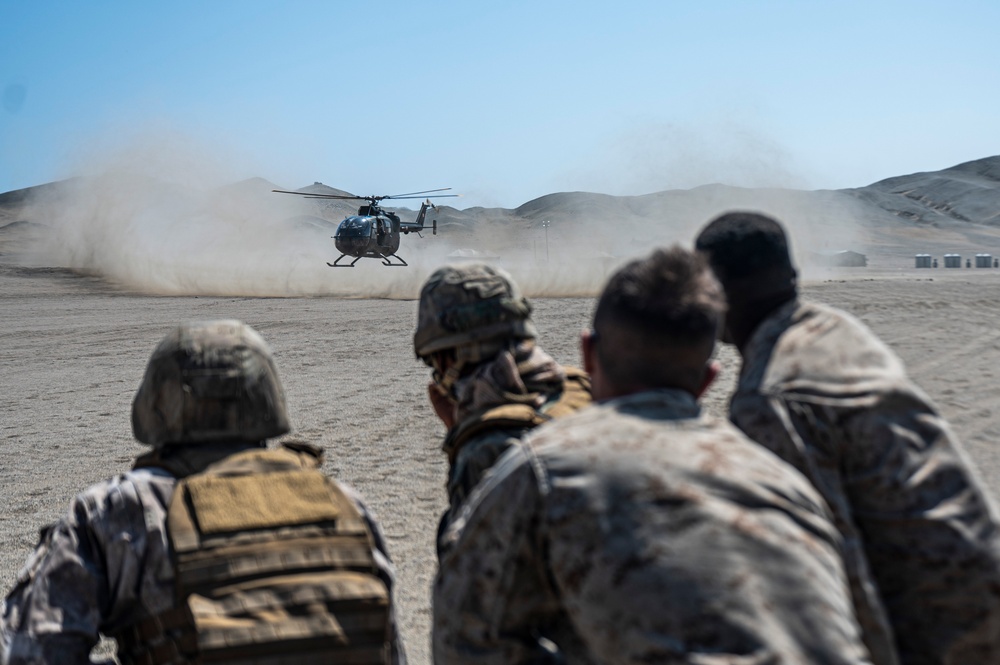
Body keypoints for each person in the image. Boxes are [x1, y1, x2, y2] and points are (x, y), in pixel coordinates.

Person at [433, 247, 873, 664]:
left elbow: (465, 643)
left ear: (588, 355)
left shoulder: (543, 471)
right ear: (708, 380)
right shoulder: (783, 483)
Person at [1, 320, 405, 665]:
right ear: (266, 400)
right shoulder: (341, 503)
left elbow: (28, 652)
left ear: (155, 404)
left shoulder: (120, 510)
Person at [695, 211, 1000, 665]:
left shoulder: (769, 398)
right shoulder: (834, 328)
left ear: (714, 292)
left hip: (937, 623)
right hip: (978, 579)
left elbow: (834, 560)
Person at [413, 262, 591, 554]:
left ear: (447, 355)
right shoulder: (584, 389)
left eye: (433, 360)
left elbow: (469, 587)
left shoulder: (488, 447)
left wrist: (467, 437)